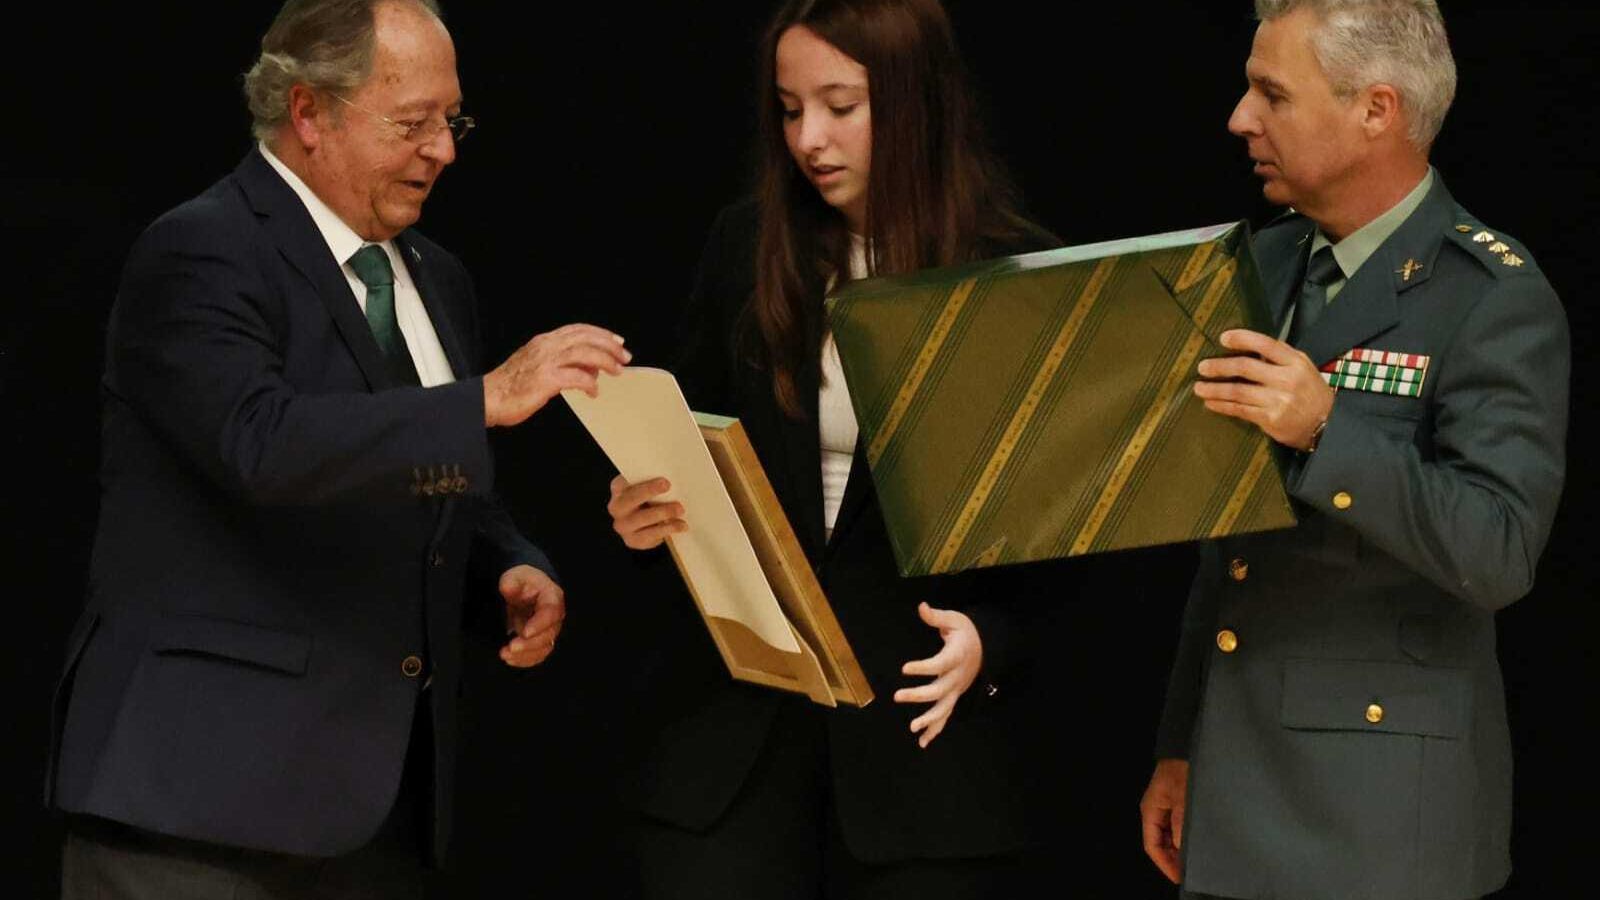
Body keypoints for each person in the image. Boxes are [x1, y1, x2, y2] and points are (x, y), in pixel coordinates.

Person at [46, 1, 630, 897]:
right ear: (309, 113)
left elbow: (415, 471)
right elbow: (262, 445)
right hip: (196, 814)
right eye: (413, 123)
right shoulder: (202, 250)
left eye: (452, 119)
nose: (445, 150)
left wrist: (502, 565)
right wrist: (488, 398)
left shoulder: (436, 277)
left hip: (371, 817)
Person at [602, 0, 1141, 896]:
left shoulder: (1018, 271)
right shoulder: (747, 246)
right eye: (788, 108)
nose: (809, 138)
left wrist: (992, 641)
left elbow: (1083, 544)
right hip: (736, 746)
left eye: (840, 106)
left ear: (915, 101)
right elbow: (687, 447)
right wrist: (640, 513)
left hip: (923, 763)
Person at [1138, 2, 1569, 898]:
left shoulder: (1491, 295)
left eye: (1271, 93)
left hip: (1380, 819)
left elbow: (1499, 551)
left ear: (1376, 110)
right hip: (1236, 775)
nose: (1239, 119)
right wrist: (1183, 742)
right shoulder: (1262, 264)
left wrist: (1331, 430)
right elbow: (1228, 542)